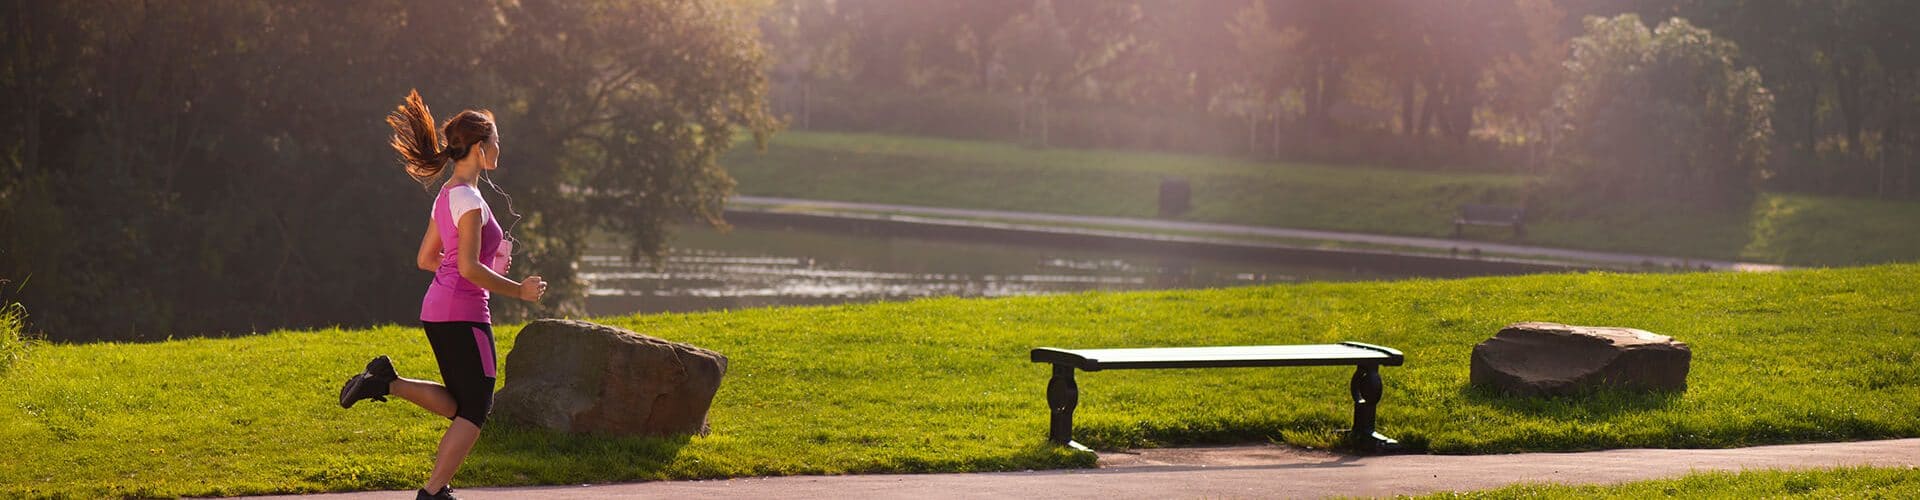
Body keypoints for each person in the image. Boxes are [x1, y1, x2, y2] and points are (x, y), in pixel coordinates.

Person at [338, 89, 547, 500]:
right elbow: (466, 267)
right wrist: (519, 291)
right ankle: (434, 493)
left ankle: (384, 381)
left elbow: (427, 258)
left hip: (440, 309)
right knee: (476, 408)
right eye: (496, 140)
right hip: (464, 314)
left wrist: (468, 270)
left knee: (457, 404)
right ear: (481, 147)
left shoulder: (449, 194)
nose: (499, 147)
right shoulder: (468, 200)